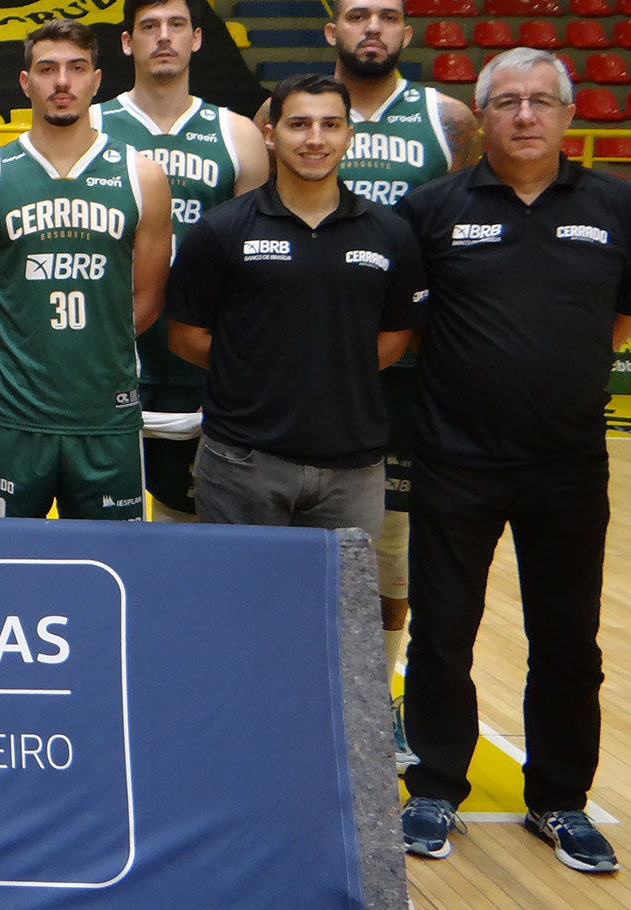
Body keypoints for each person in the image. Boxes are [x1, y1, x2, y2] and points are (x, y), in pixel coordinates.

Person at [397, 48, 631, 874]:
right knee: (443, 633)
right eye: (507, 102)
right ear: (481, 116)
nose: (525, 115)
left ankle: (560, 802)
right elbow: (408, 324)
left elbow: (617, 321)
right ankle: (432, 786)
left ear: (570, 116)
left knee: (568, 640)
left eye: (541, 101)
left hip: (568, 462)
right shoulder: (431, 209)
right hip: (456, 458)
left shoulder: (616, 205)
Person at [258, 0, 480, 754]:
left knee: (388, 551)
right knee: (282, 544)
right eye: (358, 15)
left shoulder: (445, 118)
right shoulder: (288, 112)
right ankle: (276, 690)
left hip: (401, 362)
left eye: (387, 15)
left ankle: (376, 691)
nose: (373, 28)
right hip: (300, 358)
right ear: (333, 33)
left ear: (406, 35)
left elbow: (461, 223)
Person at [165, 73, 421, 542]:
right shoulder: (221, 230)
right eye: (299, 124)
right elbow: (184, 334)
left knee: (341, 612)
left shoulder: (391, 233)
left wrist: (333, 372)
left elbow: (397, 334)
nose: (315, 139)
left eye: (331, 125)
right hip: (243, 461)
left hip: (354, 466)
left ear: (349, 135)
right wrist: (256, 372)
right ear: (270, 133)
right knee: (241, 608)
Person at [0, 19, 172, 520]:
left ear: (96, 79)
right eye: (47, 69)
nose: (62, 82)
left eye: (76, 69)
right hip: (8, 417)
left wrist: (89, 354)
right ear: (26, 82)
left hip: (105, 418)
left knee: (114, 574)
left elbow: (146, 300)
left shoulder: (143, 177)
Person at [92, 0, 266, 523]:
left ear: (196, 39)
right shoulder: (91, 127)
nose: (163, 37)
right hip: (108, 347)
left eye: (176, 26)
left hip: (198, 350)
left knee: (191, 520)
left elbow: (252, 261)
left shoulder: (237, 134)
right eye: (149, 27)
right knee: (105, 522)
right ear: (128, 43)